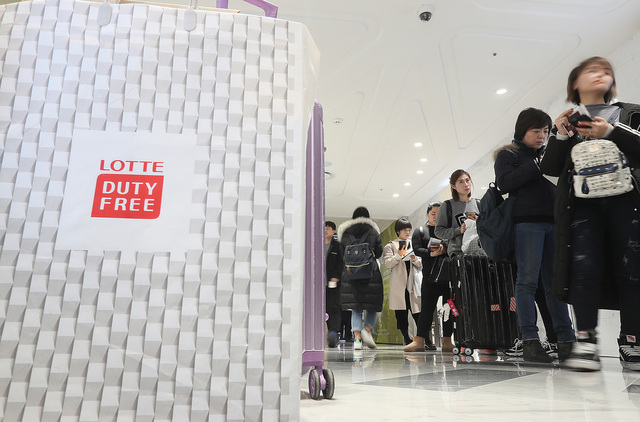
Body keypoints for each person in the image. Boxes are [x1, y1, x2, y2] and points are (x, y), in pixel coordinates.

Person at [540, 56, 640, 371]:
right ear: (575, 83)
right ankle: (586, 340)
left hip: (627, 198)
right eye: (591, 70)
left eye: (606, 71)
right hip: (581, 203)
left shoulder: (630, 113)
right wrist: (560, 135)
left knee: (632, 269)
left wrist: (612, 131)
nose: (601, 75)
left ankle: (632, 339)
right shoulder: (569, 120)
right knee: (585, 267)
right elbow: (551, 168)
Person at [494, 108, 576, 363]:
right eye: (535, 131)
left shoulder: (548, 151)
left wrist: (561, 138)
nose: (540, 136)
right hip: (525, 224)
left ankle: (566, 340)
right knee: (527, 282)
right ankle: (530, 340)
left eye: (544, 131)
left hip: (554, 222)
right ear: (522, 131)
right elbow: (504, 183)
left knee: (556, 284)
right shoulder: (508, 154)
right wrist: (538, 164)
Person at [405, 202, 456, 352]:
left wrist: (445, 249)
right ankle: (419, 340)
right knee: (426, 310)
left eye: (439, 214)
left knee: (450, 309)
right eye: (433, 213)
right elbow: (417, 249)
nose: (436, 216)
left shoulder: (447, 231)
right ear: (428, 214)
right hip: (429, 278)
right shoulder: (421, 231)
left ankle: (447, 340)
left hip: (448, 277)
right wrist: (431, 253)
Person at [338, 207, 384, 350]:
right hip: (370, 273)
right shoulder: (373, 231)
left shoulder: (345, 233)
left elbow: (342, 255)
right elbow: (379, 252)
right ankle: (367, 330)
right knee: (372, 305)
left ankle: (357, 340)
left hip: (351, 274)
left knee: (356, 308)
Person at [382, 218, 422, 346]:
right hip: (399, 284)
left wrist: (414, 258)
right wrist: (399, 255)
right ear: (398, 231)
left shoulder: (414, 244)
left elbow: (421, 263)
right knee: (401, 314)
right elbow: (388, 263)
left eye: (409, 230)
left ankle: (423, 338)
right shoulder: (390, 246)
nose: (408, 232)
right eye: (405, 230)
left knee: (418, 312)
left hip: (413, 284)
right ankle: (407, 338)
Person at [434, 169, 479, 258]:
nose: (466, 184)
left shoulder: (479, 203)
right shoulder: (447, 205)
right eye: (461, 182)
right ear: (453, 186)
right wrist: (459, 230)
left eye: (467, 180)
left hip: (479, 252)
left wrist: (479, 223)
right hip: (458, 254)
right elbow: (438, 231)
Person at [325, 221, 344, 348]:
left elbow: (341, 264)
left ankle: (333, 333)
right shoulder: (316, 245)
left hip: (333, 283)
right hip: (317, 284)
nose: (326, 230)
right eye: (324, 228)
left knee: (334, 307)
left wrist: (336, 277)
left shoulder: (338, 246)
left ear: (334, 231)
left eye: (328, 228)